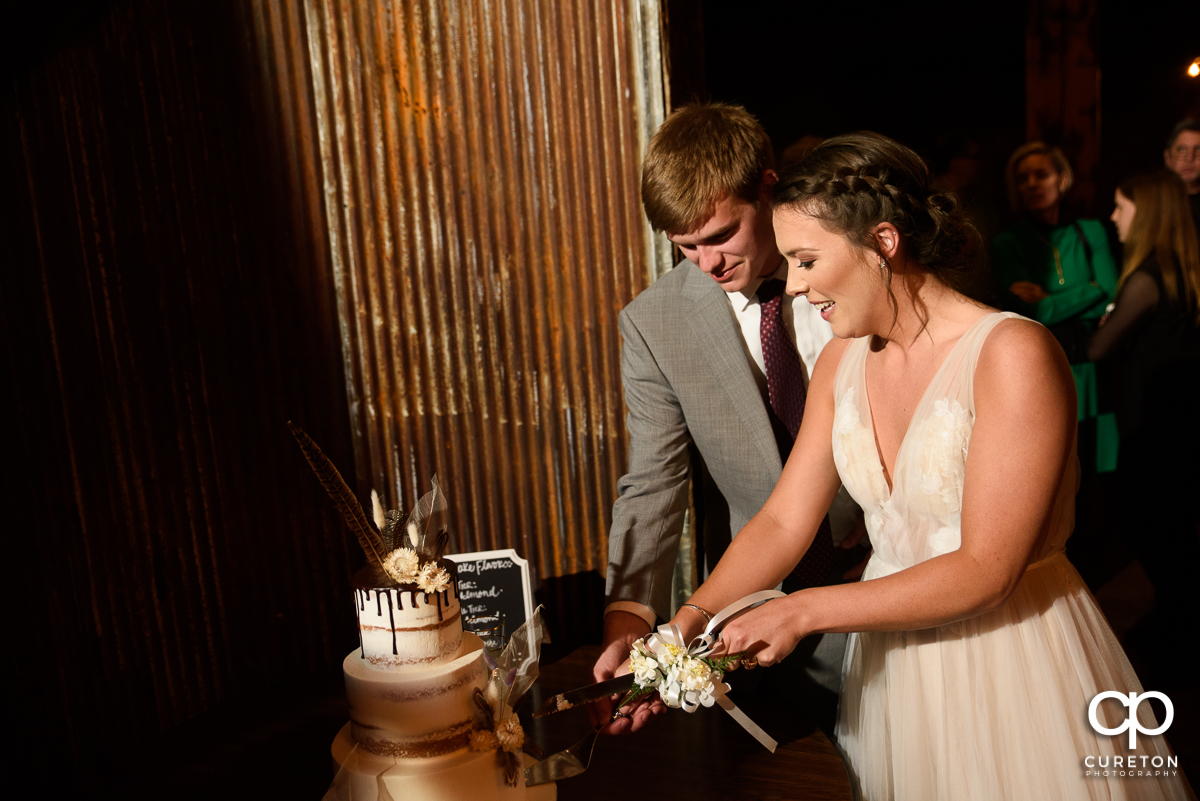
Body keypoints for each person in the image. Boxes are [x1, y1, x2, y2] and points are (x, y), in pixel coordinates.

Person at [665, 132, 1187, 800]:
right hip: (895, 669)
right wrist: (692, 617)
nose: (792, 286)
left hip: (1014, 657)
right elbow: (784, 519)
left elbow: (986, 569)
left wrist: (800, 612)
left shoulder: (1012, 353)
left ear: (883, 240)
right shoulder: (839, 363)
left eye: (805, 259)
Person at [595, 103, 862, 734]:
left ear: (768, 187)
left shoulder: (852, 274)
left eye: (720, 236)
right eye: (684, 246)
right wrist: (631, 623)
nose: (707, 264)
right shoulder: (655, 323)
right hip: (753, 605)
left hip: (885, 571)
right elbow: (654, 482)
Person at [1089, 171, 1200, 657]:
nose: (1113, 217)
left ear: (1146, 212)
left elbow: (1097, 349)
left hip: (1151, 431)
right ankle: (1178, 625)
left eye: (1120, 207)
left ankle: (1178, 636)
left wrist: (1105, 323)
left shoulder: (1148, 276)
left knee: (1153, 532)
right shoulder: (1184, 269)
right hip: (1179, 429)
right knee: (1173, 534)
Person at [991, 142, 1119, 475]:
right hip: (1043, 366)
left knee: (1099, 470)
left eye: (1041, 175)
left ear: (1062, 179)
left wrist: (1048, 297)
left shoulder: (1090, 231)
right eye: (1023, 178)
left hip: (1094, 365)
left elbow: (1111, 290)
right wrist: (1088, 290)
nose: (1032, 183)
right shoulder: (1008, 243)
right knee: (1053, 469)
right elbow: (1031, 314)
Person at [1162, 119, 1200, 232]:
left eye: (1198, 149)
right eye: (1182, 149)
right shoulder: (1156, 202)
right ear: (1167, 157)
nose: (1190, 158)